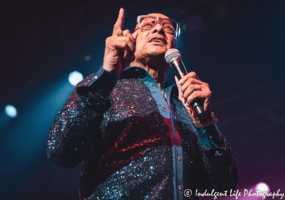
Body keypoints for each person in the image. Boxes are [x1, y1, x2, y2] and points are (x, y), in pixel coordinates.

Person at [46, 8, 238, 200]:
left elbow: (224, 186)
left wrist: (205, 123)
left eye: (168, 28)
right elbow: (62, 152)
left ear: (175, 46)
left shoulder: (186, 105)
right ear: (131, 40)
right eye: (147, 25)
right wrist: (107, 75)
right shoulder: (102, 87)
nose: (158, 30)